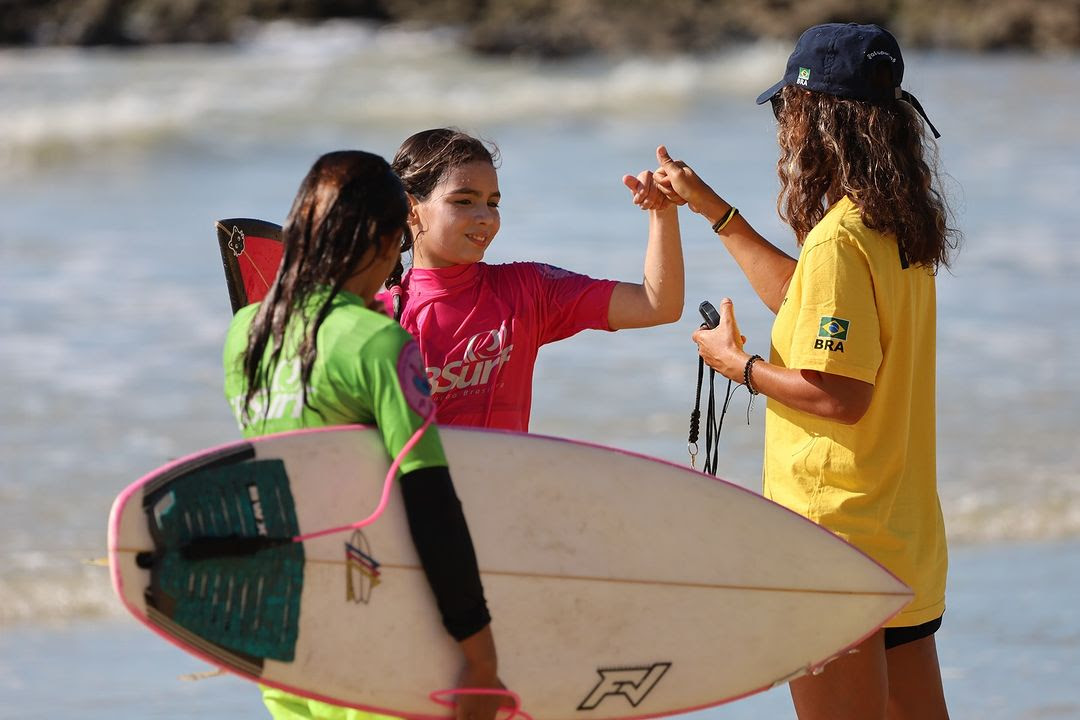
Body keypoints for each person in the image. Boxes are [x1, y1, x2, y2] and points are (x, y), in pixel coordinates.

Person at [652, 23, 959, 720]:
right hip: (900, 536)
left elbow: (839, 393)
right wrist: (714, 210)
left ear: (817, 119)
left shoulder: (841, 242)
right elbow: (807, 306)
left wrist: (741, 366)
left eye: (787, 112)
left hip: (832, 541)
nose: (783, 132)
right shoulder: (895, 231)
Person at [222, 150, 512, 720]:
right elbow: (428, 500)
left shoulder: (245, 333)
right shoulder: (377, 342)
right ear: (387, 242)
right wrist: (479, 655)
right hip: (369, 614)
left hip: (280, 625)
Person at [382, 127, 683, 432]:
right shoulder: (382, 319)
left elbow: (657, 305)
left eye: (493, 203)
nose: (485, 216)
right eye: (463, 201)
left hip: (511, 479)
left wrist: (662, 212)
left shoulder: (527, 289)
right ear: (411, 208)